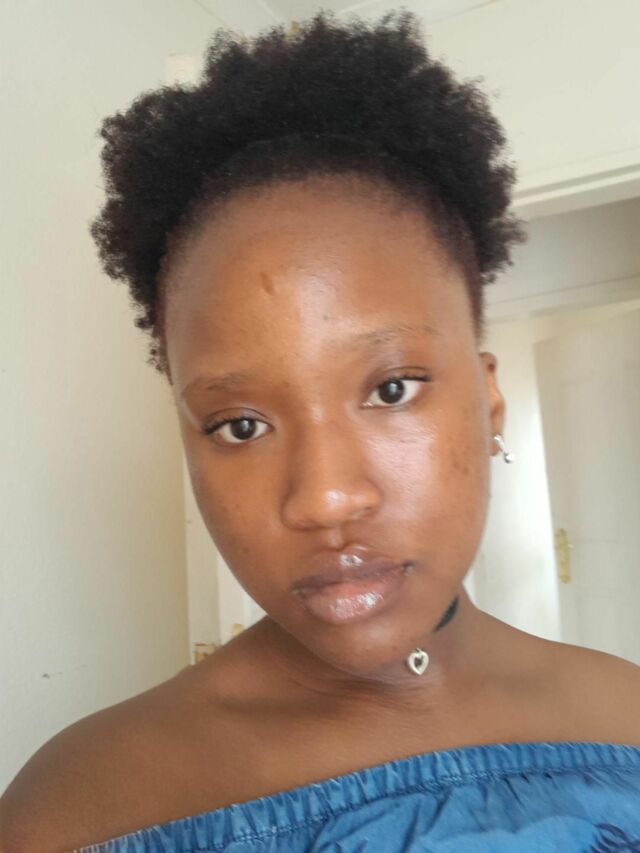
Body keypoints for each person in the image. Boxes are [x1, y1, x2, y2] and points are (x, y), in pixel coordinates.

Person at [1, 11, 640, 853]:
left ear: (488, 400)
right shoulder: (77, 807)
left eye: (392, 388)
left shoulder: (626, 717)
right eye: (240, 424)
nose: (325, 498)